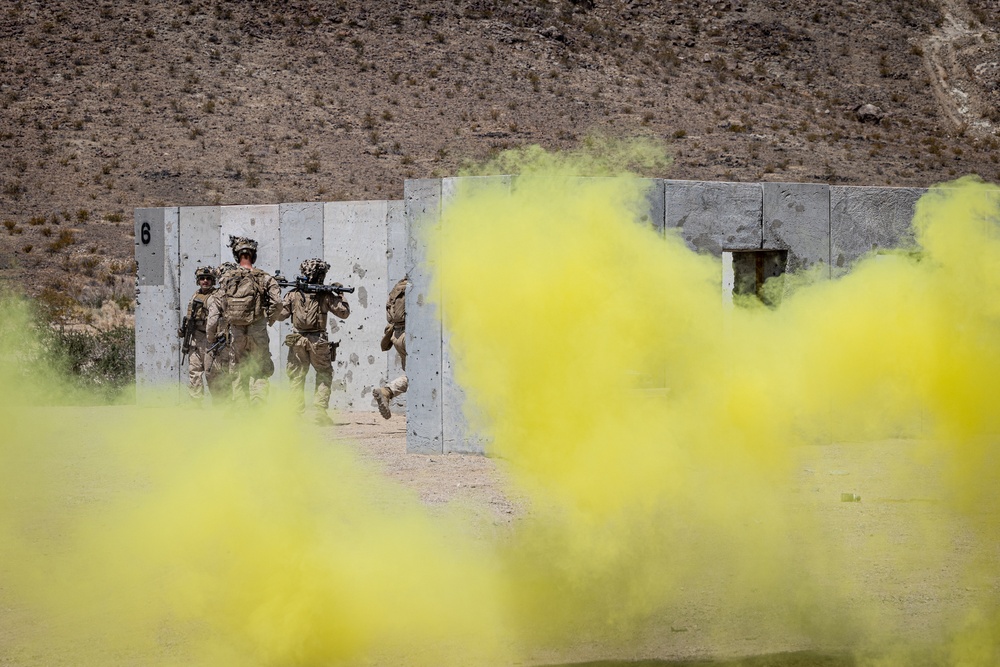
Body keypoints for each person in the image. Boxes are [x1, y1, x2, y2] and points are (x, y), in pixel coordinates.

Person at [273, 258, 351, 426]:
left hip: (297, 340)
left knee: (296, 376)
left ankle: (295, 414)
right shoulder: (325, 295)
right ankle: (320, 412)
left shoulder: (293, 294)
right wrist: (341, 295)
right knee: (324, 373)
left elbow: (280, 316)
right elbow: (344, 313)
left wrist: (276, 300)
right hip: (319, 341)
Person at [206, 236, 280, 406]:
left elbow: (219, 307)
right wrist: (269, 319)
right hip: (258, 330)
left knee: (238, 369)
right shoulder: (265, 277)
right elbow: (277, 303)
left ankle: (240, 408)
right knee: (260, 369)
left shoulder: (226, 279)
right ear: (253, 255)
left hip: (236, 332)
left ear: (236, 255)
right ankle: (258, 403)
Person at [178, 265, 217, 404]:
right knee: (194, 372)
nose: (205, 281)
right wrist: (184, 329)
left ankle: (220, 404)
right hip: (195, 338)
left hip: (209, 339)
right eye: (202, 279)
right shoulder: (195, 295)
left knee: (211, 373)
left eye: (208, 279)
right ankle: (196, 403)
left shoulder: (215, 297)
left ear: (213, 281)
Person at [373, 276, 408, 419]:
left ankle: (388, 391)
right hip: (410, 335)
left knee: (415, 374)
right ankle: (388, 391)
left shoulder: (398, 287)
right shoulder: (417, 286)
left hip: (396, 335)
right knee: (421, 374)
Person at [203, 261, 236, 404]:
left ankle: (222, 405)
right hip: (243, 340)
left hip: (222, 343)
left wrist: (210, 339)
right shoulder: (245, 293)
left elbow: (212, 322)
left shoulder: (217, 296)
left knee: (214, 373)